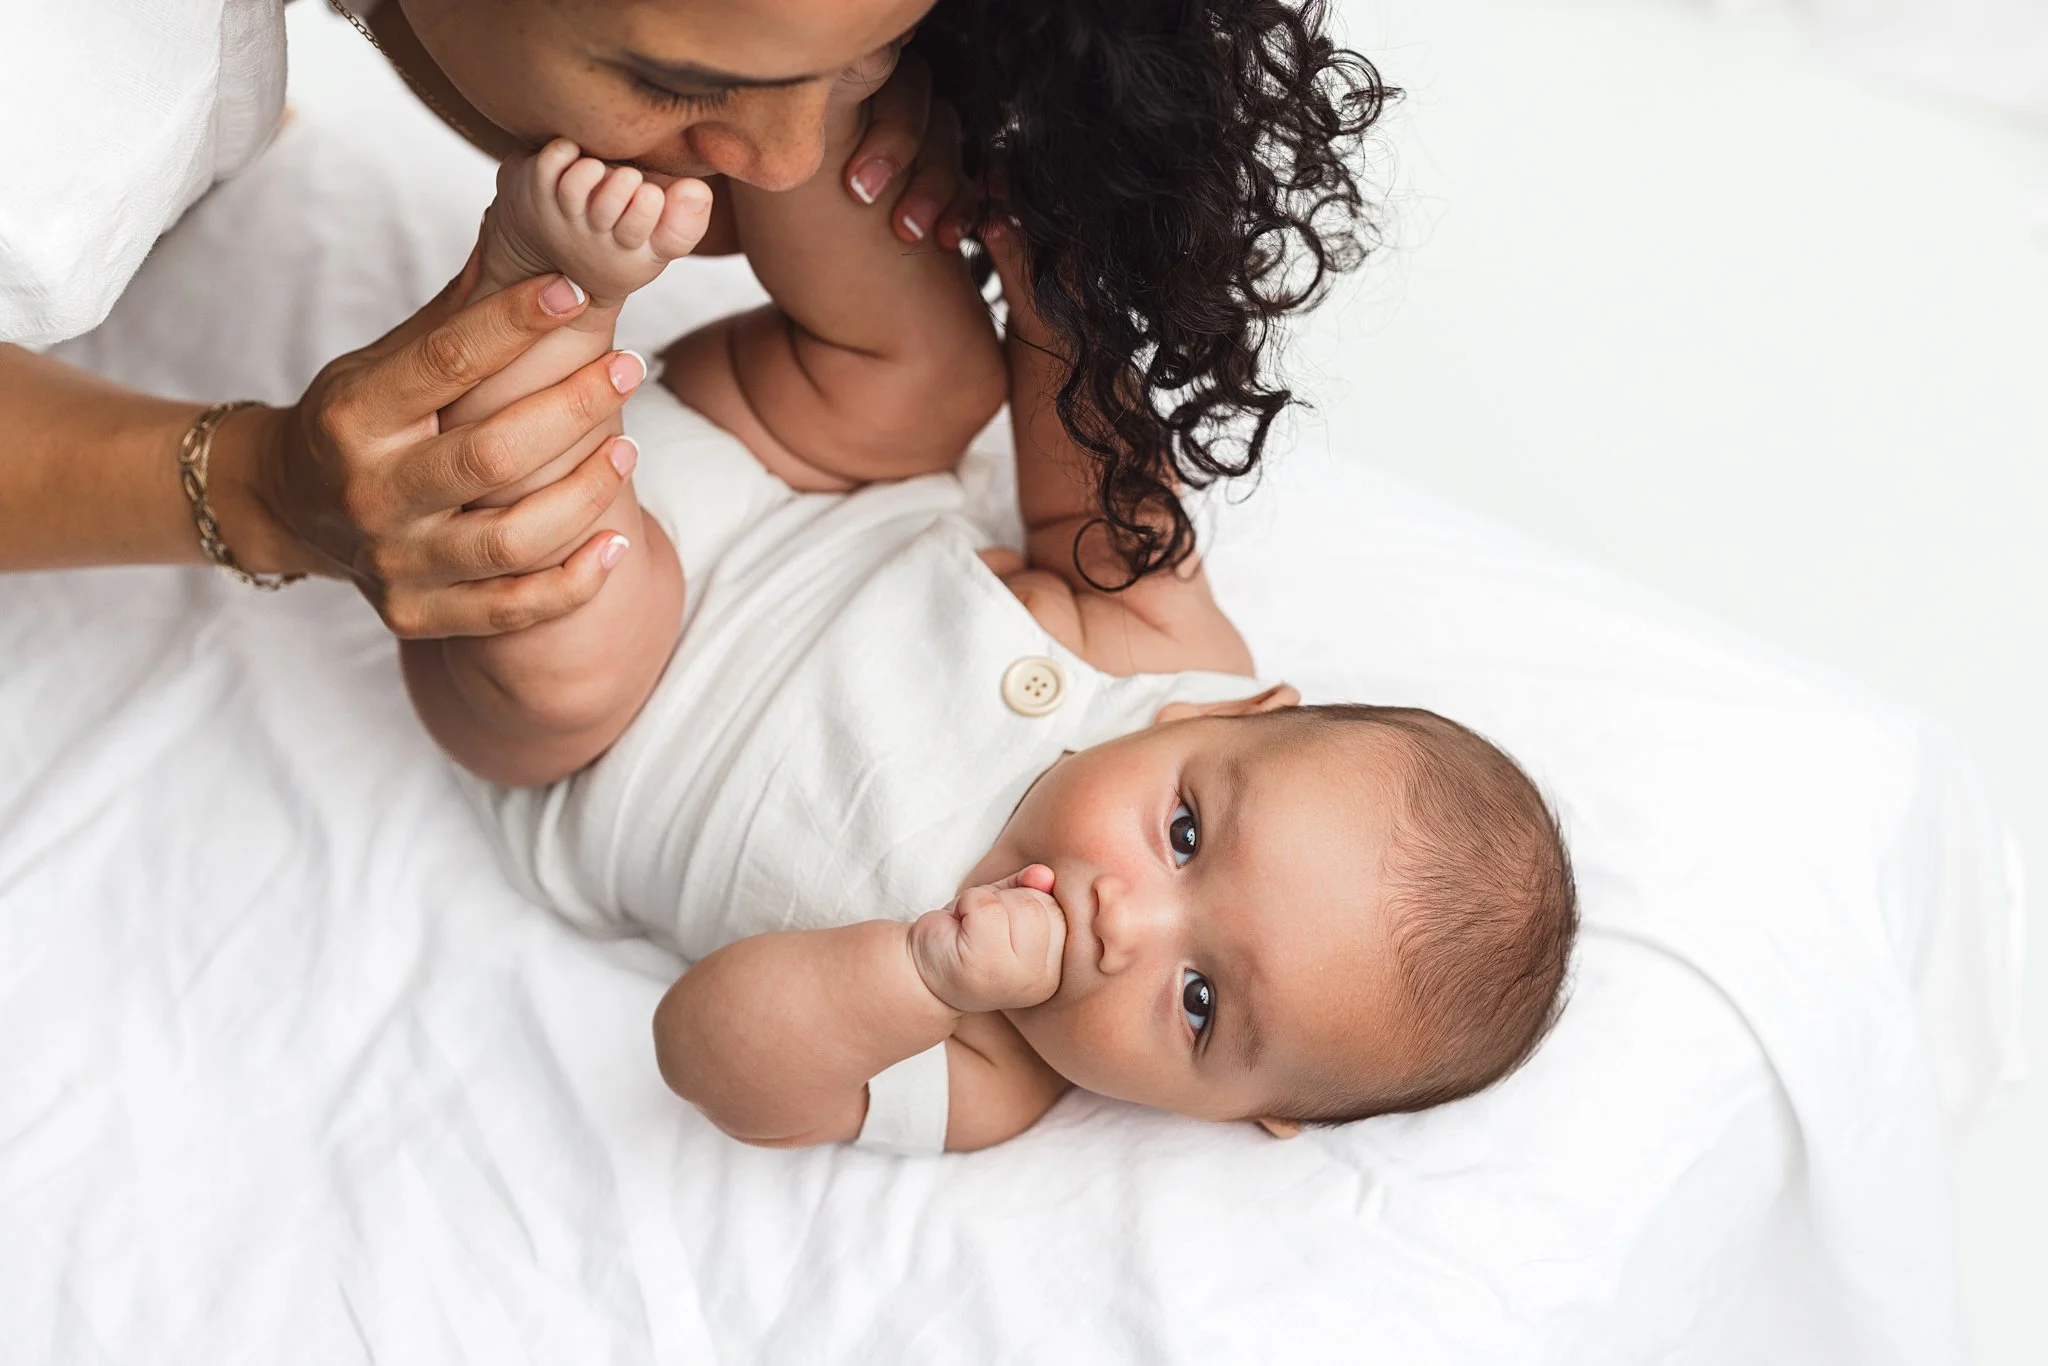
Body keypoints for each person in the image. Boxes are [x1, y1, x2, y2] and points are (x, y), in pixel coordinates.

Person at [404, 87, 1577, 1153]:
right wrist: (1046, 293)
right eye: (1182, 832)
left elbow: (705, 1052)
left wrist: (918, 979)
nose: (1123, 920)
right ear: (1241, 712)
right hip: (784, 463)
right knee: (934, 375)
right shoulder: (1171, 661)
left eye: (1198, 1002)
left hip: (598, 716)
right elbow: (1093, 488)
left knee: (562, 653)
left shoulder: (985, 1068)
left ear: (1246, 1112)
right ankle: (770, 100)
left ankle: (542, 291)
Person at [1, 0, 1389, 635]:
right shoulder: (74, 109)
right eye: (678, 81)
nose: (784, 162)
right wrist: (258, 489)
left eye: (878, 54)